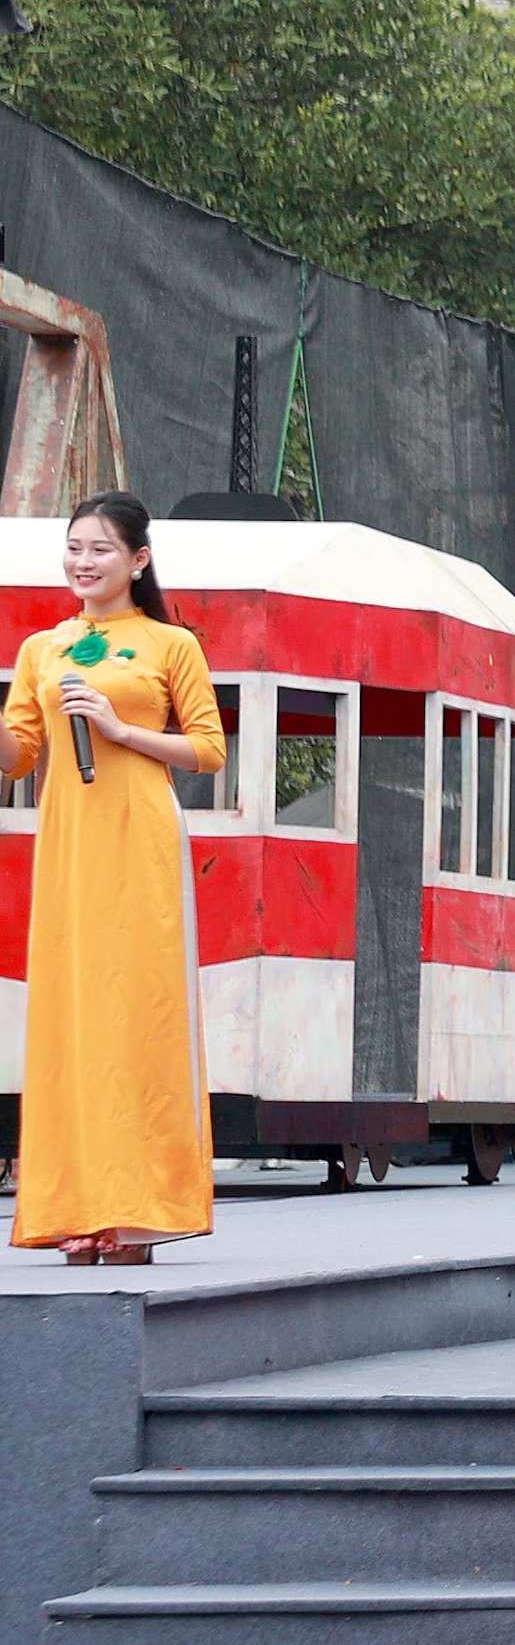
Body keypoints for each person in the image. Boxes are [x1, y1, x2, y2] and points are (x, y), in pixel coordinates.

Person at [8, 493, 223, 1262]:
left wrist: (118, 725)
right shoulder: (43, 648)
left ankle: (138, 1209)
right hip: (69, 846)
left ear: (138, 560)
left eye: (100, 548)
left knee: (140, 1015)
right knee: (73, 1020)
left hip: (142, 840)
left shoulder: (171, 644)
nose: (83, 561)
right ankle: (76, 1204)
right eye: (73, 547)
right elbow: (18, 755)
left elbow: (208, 750)